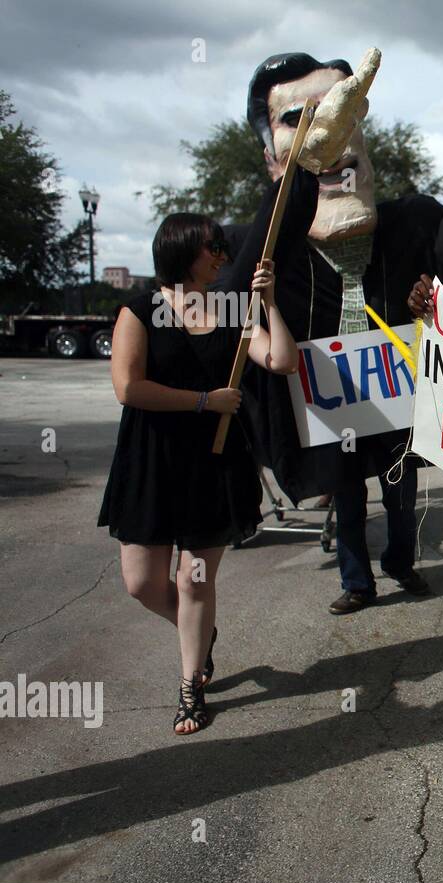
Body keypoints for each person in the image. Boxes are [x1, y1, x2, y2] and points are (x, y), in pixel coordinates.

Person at [226, 52, 443, 615]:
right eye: (302, 119)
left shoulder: (417, 221)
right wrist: (297, 186)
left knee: (402, 486)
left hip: (397, 390)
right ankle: (357, 581)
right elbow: (226, 300)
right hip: (328, 396)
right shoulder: (268, 245)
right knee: (347, 493)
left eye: (343, 110)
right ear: (271, 159)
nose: (329, 128)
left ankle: (400, 562)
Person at [98, 213, 300, 734]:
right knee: (142, 583)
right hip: (152, 461)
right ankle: (200, 633)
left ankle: (191, 686)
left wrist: (270, 302)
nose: (221, 255)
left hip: (214, 463)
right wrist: (205, 401)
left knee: (194, 579)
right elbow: (128, 387)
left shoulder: (232, 311)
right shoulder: (140, 310)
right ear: (182, 249)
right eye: (212, 246)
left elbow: (282, 360)